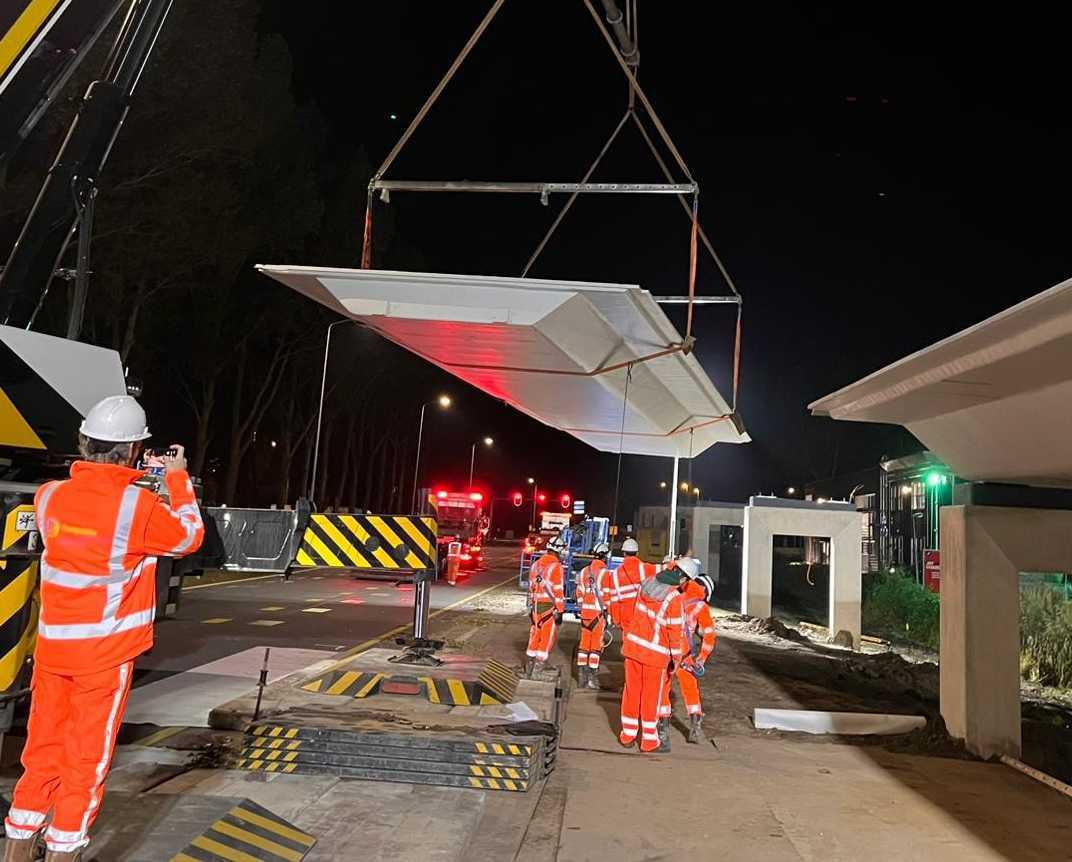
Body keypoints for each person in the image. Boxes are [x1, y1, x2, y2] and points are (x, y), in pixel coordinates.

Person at [3, 396, 204, 861]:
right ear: (133, 450)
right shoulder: (138, 507)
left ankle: (17, 845)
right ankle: (64, 849)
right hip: (104, 657)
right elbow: (189, 536)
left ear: (82, 442)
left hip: (53, 651)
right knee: (85, 760)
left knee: (41, 752)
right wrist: (175, 479)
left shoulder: (49, 496)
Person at [619, 564, 687, 753]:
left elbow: (634, 615)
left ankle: (627, 735)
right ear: (683, 579)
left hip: (633, 648)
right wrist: (676, 657)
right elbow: (674, 631)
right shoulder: (674, 597)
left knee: (631, 692)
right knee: (651, 697)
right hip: (655, 655)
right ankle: (649, 741)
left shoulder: (646, 585)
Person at [658, 562, 717, 746]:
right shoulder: (701, 606)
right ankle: (695, 728)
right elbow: (709, 636)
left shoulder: (674, 593)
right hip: (684, 654)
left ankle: (662, 729)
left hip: (666, 649)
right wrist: (702, 658)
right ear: (705, 591)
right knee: (690, 689)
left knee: (663, 687)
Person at [524, 533, 566, 678]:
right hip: (548, 607)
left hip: (536, 606)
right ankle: (538, 670)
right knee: (547, 638)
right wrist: (560, 610)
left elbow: (531, 587)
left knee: (535, 635)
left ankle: (529, 666)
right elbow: (558, 591)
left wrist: (531, 606)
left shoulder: (536, 564)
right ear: (558, 550)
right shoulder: (556, 567)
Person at [575, 541, 612, 690]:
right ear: (605, 556)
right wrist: (609, 614)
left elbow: (579, 592)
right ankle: (592, 679)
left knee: (584, 645)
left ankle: (581, 678)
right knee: (595, 648)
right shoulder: (605, 573)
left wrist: (582, 608)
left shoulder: (584, 571)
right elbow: (607, 596)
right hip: (598, 616)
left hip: (585, 615)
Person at [608, 537, 654, 632]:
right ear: (637, 553)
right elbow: (662, 572)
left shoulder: (615, 574)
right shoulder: (644, 568)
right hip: (642, 615)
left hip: (625, 617)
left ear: (624, 553)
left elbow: (614, 600)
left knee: (628, 640)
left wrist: (616, 620)